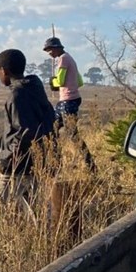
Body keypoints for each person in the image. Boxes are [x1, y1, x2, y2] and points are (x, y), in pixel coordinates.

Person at [0, 49, 55, 215]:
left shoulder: (17, 95)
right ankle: (45, 236)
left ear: (4, 71)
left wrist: (5, 158)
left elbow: (24, 131)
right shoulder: (34, 88)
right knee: (36, 207)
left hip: (18, 164)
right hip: (38, 160)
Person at [43, 37, 97, 172]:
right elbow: (80, 82)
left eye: (49, 50)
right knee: (52, 128)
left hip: (67, 100)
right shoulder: (70, 58)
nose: (49, 53)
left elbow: (60, 81)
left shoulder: (63, 59)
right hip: (70, 99)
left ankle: (91, 166)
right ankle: (56, 162)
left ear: (56, 48)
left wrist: (53, 82)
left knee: (72, 134)